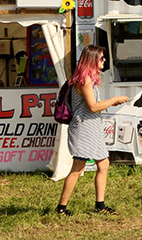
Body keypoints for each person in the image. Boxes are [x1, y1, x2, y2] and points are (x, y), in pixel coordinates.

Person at [56, 45, 129, 216]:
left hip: (92, 127)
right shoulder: (85, 80)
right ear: (92, 60)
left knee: (103, 164)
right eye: (102, 58)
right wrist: (114, 100)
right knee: (78, 168)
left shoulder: (88, 79)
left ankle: (100, 204)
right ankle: (61, 207)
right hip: (83, 128)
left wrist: (109, 103)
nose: (104, 61)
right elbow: (92, 107)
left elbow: (92, 106)